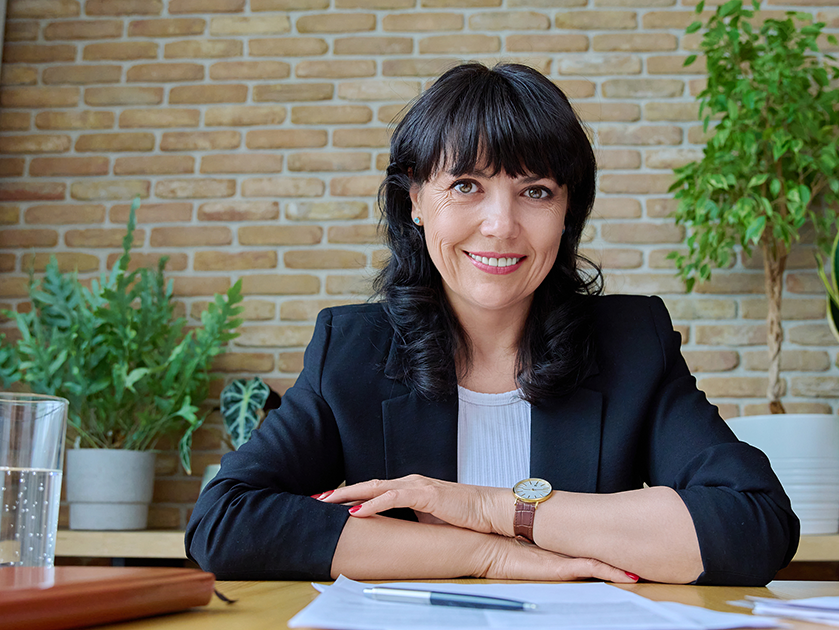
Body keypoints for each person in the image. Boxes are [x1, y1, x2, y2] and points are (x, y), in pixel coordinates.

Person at [186, 62, 799, 586]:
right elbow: (225, 523)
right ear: (414, 202)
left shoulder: (631, 343)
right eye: (466, 185)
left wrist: (490, 508)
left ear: (568, 212)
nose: (501, 225)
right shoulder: (351, 351)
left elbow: (754, 526)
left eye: (536, 192)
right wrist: (487, 555)